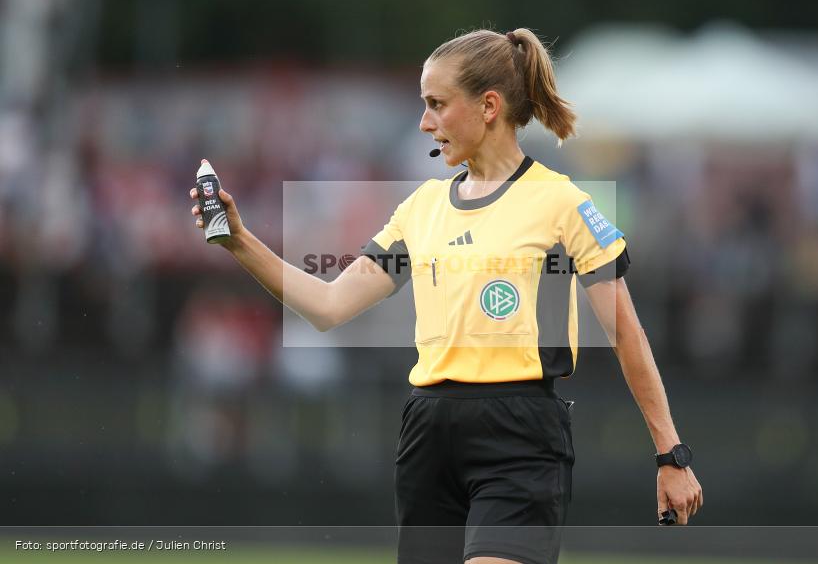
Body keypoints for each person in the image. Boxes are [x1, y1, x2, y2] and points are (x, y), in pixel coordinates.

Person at [189, 28, 702, 564]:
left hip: (521, 438)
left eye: (436, 105)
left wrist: (670, 452)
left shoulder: (563, 204)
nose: (425, 122)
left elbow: (626, 335)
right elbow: (328, 305)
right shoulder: (421, 208)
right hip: (428, 434)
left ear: (488, 106)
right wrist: (238, 241)